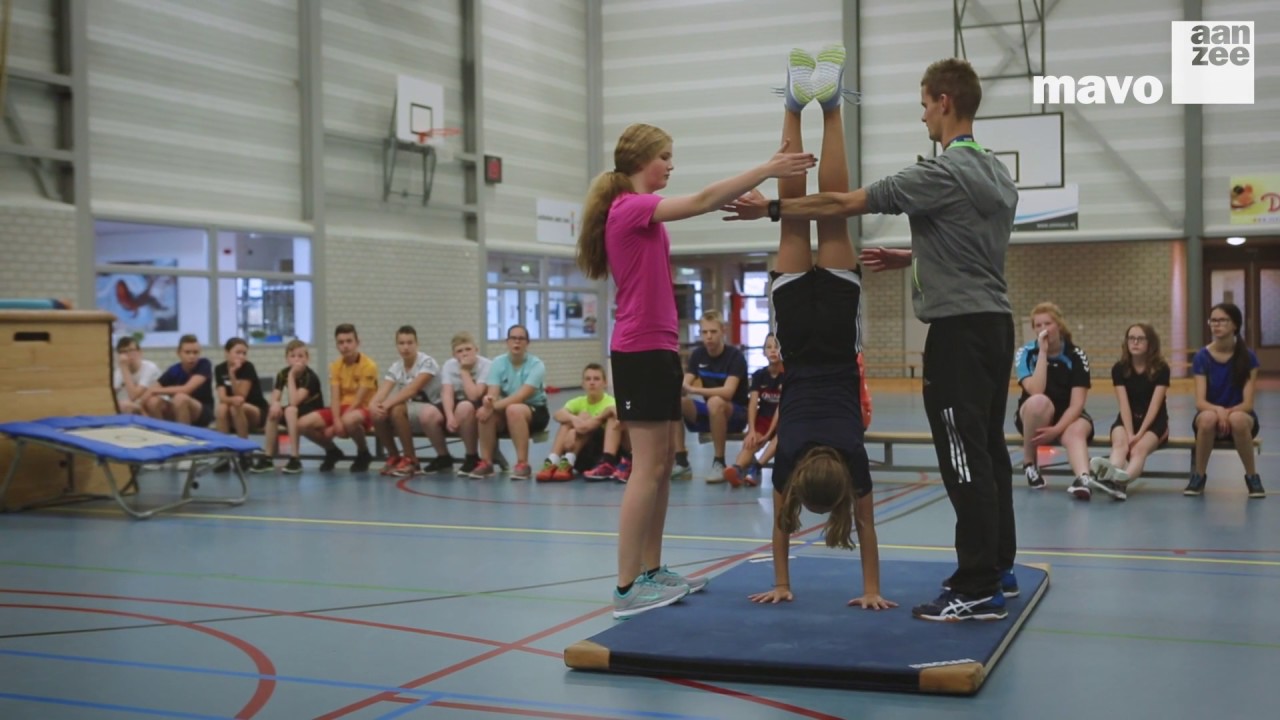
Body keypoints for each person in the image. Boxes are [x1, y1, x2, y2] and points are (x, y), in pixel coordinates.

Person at [725, 55, 1017, 621]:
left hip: (958, 334)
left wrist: (770, 206)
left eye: (925, 106)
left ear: (944, 102)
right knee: (989, 454)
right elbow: (975, 248)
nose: (924, 118)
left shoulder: (939, 172)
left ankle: (978, 584)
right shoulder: (998, 172)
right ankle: (998, 566)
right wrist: (919, 256)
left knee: (964, 462)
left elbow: (844, 200)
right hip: (993, 326)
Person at [577, 109, 815, 618]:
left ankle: (651, 570)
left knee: (662, 466)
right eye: (665, 158)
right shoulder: (630, 207)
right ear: (642, 160)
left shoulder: (637, 209)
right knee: (646, 469)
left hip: (661, 348)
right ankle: (624, 588)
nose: (670, 166)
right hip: (638, 349)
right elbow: (706, 200)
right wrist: (769, 168)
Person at [741, 46, 894, 613]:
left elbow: (869, 532)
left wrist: (873, 589)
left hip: (834, 332)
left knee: (832, 213)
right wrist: (782, 581)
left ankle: (828, 106)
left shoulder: (852, 455)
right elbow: (782, 529)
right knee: (796, 211)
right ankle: (792, 101)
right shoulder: (789, 461)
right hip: (800, 342)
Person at [1014, 302, 1095, 500]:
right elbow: (1035, 390)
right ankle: (1029, 463)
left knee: (1076, 431)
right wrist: (1042, 353)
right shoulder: (1025, 353)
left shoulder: (1076, 356)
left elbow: (1077, 404)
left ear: (1058, 325)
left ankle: (1083, 478)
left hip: (1068, 415)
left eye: (1048, 324)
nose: (1043, 329)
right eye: (1038, 325)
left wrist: (1057, 429)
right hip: (1034, 416)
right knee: (1039, 401)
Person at [1188, 302, 1264, 498]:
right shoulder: (1201, 357)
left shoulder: (1248, 358)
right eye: (1213, 320)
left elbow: (1248, 404)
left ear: (1235, 325)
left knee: (1237, 420)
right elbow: (1200, 402)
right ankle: (1199, 476)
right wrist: (1218, 411)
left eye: (1222, 320)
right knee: (1206, 419)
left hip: (1241, 417)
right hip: (1210, 416)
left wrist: (1227, 413)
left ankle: (1252, 477)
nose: (1216, 324)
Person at [1088, 324, 1170, 500]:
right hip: (1127, 419)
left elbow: (1155, 406)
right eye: (1131, 338)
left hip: (1154, 422)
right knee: (1120, 445)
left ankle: (1120, 482)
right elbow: (1124, 404)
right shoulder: (1119, 368)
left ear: (1150, 343)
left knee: (1138, 450)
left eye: (1140, 339)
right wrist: (1130, 432)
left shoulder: (1162, 369)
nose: (1135, 342)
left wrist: (1139, 434)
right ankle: (1111, 478)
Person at [673, 310, 750, 482]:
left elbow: (728, 392)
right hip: (711, 412)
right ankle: (681, 462)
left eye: (713, 332)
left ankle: (719, 462)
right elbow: (685, 383)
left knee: (715, 402)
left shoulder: (735, 357)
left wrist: (695, 390)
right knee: (675, 402)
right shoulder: (698, 355)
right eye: (704, 332)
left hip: (736, 414)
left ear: (723, 331)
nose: (708, 337)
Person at [469, 325, 549, 480]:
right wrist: (488, 403)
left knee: (513, 409)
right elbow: (493, 392)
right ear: (507, 342)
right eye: (513, 338)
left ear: (527, 343)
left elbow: (521, 396)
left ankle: (522, 464)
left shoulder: (536, 365)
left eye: (521, 339)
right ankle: (486, 462)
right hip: (506, 409)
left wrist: (492, 406)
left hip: (535, 410)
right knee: (486, 412)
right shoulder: (498, 363)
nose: (516, 342)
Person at [298, 323, 378, 473]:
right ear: (336, 345)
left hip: (362, 409)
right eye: (341, 342)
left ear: (357, 343)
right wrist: (336, 420)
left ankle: (363, 452)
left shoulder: (369, 365)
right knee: (302, 424)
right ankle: (332, 451)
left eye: (349, 341)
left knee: (349, 420)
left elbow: (359, 400)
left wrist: (335, 427)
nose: (345, 346)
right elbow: (335, 398)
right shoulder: (335, 366)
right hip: (342, 409)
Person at [370, 326, 445, 478]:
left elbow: (412, 390)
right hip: (412, 411)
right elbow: (383, 391)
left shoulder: (427, 362)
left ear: (417, 344)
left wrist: (387, 404)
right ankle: (394, 457)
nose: (406, 347)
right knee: (377, 413)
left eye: (410, 343)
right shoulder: (396, 367)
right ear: (397, 345)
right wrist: (373, 405)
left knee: (396, 409)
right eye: (401, 343)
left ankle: (411, 460)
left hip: (434, 409)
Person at [254, 339, 325, 474]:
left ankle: (295, 458)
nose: (296, 360)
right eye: (292, 356)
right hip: (295, 411)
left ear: (307, 358)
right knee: (273, 411)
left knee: (290, 410)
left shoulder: (310, 377)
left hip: (312, 412)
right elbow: (275, 396)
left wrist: (291, 375)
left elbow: (294, 401)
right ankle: (268, 457)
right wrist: (275, 404)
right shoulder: (282, 374)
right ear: (287, 359)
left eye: (300, 356)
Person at [536, 363, 616, 482]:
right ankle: (553, 461)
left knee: (585, 418)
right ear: (583, 384)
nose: (592, 382)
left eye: (596, 379)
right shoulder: (578, 402)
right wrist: (574, 419)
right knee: (569, 419)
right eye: (588, 379)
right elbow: (558, 414)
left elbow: (587, 427)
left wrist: (576, 429)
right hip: (582, 455)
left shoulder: (610, 402)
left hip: (600, 454)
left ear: (605, 383)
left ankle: (568, 461)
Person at [724, 332, 783, 488]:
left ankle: (756, 467)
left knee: (781, 436)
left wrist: (769, 434)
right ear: (763, 351)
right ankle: (737, 469)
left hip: (782, 420)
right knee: (752, 440)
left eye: (776, 347)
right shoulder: (759, 375)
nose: (772, 350)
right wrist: (751, 430)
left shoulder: (788, 375)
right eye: (768, 347)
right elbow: (753, 403)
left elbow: (781, 408)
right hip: (763, 419)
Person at [212, 337, 269, 472]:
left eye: (244, 353)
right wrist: (230, 400)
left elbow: (241, 396)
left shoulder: (248, 367)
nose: (241, 356)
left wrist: (232, 374)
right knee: (222, 408)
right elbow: (222, 397)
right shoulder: (220, 369)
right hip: (234, 411)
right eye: (238, 352)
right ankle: (223, 455)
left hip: (256, 411)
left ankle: (245, 454)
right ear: (227, 353)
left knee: (235, 406)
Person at [440, 332, 491, 477]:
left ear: (476, 350)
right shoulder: (449, 366)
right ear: (453, 355)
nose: (464, 354)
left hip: (480, 404)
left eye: (468, 349)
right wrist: (449, 416)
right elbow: (447, 393)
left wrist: (464, 370)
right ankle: (443, 457)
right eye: (460, 351)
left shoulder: (486, 365)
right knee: (432, 414)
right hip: (457, 404)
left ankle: (471, 455)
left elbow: (475, 395)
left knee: (465, 406)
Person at [145, 335, 216, 427]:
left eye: (195, 352)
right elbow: (151, 391)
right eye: (187, 352)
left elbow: (187, 389)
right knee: (153, 401)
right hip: (178, 409)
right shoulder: (174, 370)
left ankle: (184, 436)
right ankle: (161, 431)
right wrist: (141, 407)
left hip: (202, 411)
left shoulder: (204, 364)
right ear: (179, 353)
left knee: (180, 398)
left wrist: (155, 390)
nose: (192, 356)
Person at [113, 336, 160, 415]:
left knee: (129, 405)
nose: (128, 355)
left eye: (131, 350)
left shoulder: (149, 367)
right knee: (122, 405)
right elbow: (110, 394)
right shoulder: (119, 371)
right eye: (123, 352)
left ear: (140, 352)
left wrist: (124, 368)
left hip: (156, 404)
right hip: (138, 406)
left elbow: (134, 396)